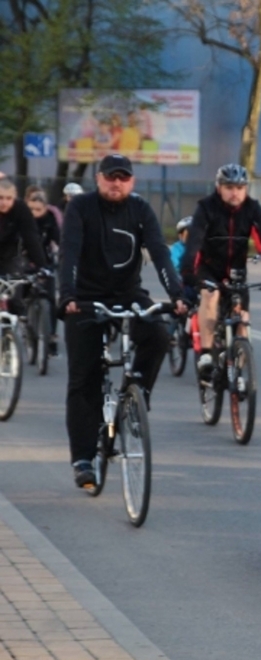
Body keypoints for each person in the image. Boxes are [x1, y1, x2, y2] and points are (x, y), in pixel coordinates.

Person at [59, 154, 187, 488]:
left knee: (158, 335)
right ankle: (83, 458)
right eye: (110, 177)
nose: (116, 183)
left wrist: (177, 294)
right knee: (83, 378)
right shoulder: (81, 207)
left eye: (123, 178)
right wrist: (68, 296)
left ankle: (137, 394)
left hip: (128, 293)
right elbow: (69, 251)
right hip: (85, 298)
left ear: (131, 182)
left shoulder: (140, 210)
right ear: (98, 178)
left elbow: (159, 252)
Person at [180, 164, 261, 379]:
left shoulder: (252, 208)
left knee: (242, 318)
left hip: (236, 271)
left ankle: (239, 371)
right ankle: (205, 354)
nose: (235, 193)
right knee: (210, 298)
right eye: (229, 187)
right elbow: (194, 241)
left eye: (240, 188)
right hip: (209, 268)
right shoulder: (206, 208)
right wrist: (188, 270)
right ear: (219, 187)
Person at [0, 180, 48, 307]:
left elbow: (31, 237)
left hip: (9, 255)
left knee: (15, 296)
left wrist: (41, 265)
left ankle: (19, 322)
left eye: (9, 198)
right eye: (0, 198)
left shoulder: (21, 209)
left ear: (15, 198)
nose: (4, 202)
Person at [26, 192, 61, 356]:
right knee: (18, 297)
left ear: (45, 209)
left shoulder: (49, 220)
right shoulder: (22, 220)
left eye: (38, 209)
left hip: (44, 262)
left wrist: (63, 258)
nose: (34, 213)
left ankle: (51, 336)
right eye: (31, 209)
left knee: (50, 300)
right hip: (23, 262)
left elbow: (59, 240)